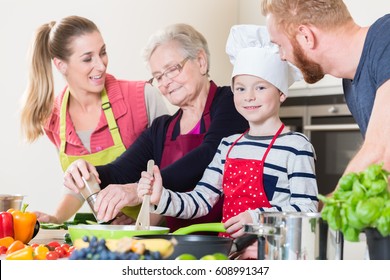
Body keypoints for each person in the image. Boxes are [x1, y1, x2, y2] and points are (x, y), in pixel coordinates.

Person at [137, 24, 319, 246]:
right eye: (240, 89)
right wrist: (161, 197)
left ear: (281, 93)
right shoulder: (228, 146)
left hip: (271, 254)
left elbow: (306, 211)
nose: (249, 97)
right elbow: (201, 201)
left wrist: (257, 218)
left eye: (260, 88)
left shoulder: (296, 147)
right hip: (231, 254)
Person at [63, 23, 249, 231]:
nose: (166, 82)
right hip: (176, 244)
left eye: (172, 69)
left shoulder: (232, 102)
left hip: (227, 241)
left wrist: (140, 190)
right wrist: (86, 170)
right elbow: (119, 172)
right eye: (159, 76)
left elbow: (209, 154)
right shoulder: (162, 129)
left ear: (201, 61)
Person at [20, 15, 169, 224]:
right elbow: (81, 185)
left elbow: (177, 168)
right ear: (61, 65)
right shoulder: (54, 119)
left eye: (103, 52)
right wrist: (56, 218)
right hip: (109, 236)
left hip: (159, 230)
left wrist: (147, 221)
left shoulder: (142, 97)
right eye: (88, 58)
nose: (101, 65)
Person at [261, 0, 390, 191]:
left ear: (306, 36)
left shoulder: (386, 36)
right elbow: (378, 174)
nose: (282, 56)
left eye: (280, 45)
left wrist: (330, 208)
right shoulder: (350, 82)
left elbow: (381, 152)